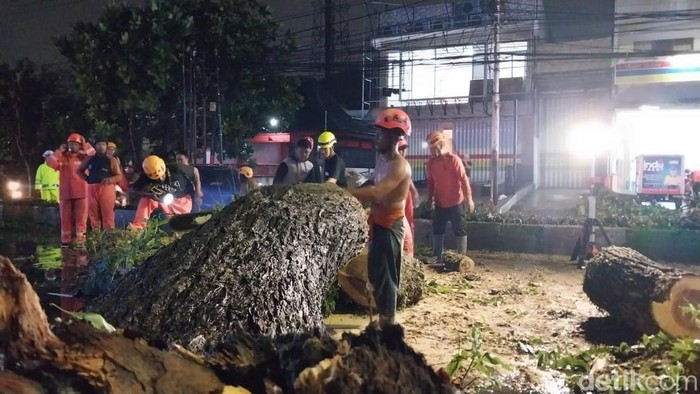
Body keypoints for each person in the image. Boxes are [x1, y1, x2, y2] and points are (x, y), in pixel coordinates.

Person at [349, 108, 412, 327]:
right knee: (376, 275)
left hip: (390, 225)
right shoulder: (382, 160)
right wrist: (354, 185)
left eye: (381, 133)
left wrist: (345, 192)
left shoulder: (399, 165)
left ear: (396, 136)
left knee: (386, 278)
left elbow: (378, 193)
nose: (377, 137)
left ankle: (389, 323)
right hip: (378, 223)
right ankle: (383, 319)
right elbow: (372, 185)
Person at [425, 130, 474, 259]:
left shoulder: (454, 160)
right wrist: (429, 199)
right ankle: (437, 256)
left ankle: (461, 258)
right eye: (431, 149)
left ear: (441, 145)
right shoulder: (431, 163)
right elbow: (431, 182)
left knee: (460, 229)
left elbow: (463, 180)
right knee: (438, 229)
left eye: (434, 148)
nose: (432, 151)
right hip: (440, 203)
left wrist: (469, 199)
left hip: (456, 202)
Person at [46, 132, 96, 247]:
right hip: (65, 194)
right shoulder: (63, 157)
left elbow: (93, 154)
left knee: (81, 220)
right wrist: (59, 151)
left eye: (75, 144)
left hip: (81, 193)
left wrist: (85, 143)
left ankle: (80, 241)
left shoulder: (84, 157)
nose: (73, 146)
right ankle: (66, 241)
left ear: (79, 145)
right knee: (65, 219)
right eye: (71, 143)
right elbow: (50, 163)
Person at [129, 155, 193, 230]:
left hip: (182, 201)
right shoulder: (145, 177)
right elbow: (132, 190)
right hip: (163, 201)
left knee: (183, 225)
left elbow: (195, 171)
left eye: (162, 176)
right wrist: (150, 195)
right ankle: (138, 227)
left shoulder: (176, 168)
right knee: (146, 200)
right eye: (156, 178)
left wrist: (198, 191)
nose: (160, 178)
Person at [77, 140, 123, 230]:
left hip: (107, 189)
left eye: (103, 145)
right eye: (99, 144)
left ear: (106, 147)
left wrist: (110, 180)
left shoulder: (111, 160)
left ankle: (109, 237)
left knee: (108, 214)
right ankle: (96, 237)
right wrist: (87, 178)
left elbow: (119, 176)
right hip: (92, 189)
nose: (101, 147)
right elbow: (79, 171)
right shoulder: (89, 159)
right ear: (95, 146)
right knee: (93, 215)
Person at [397, 137, 420, 257]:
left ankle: (409, 253)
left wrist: (414, 191)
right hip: (398, 199)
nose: (403, 152)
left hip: (407, 197)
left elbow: (407, 178)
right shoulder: (391, 163)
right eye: (400, 149)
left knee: (409, 223)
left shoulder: (404, 163)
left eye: (404, 149)